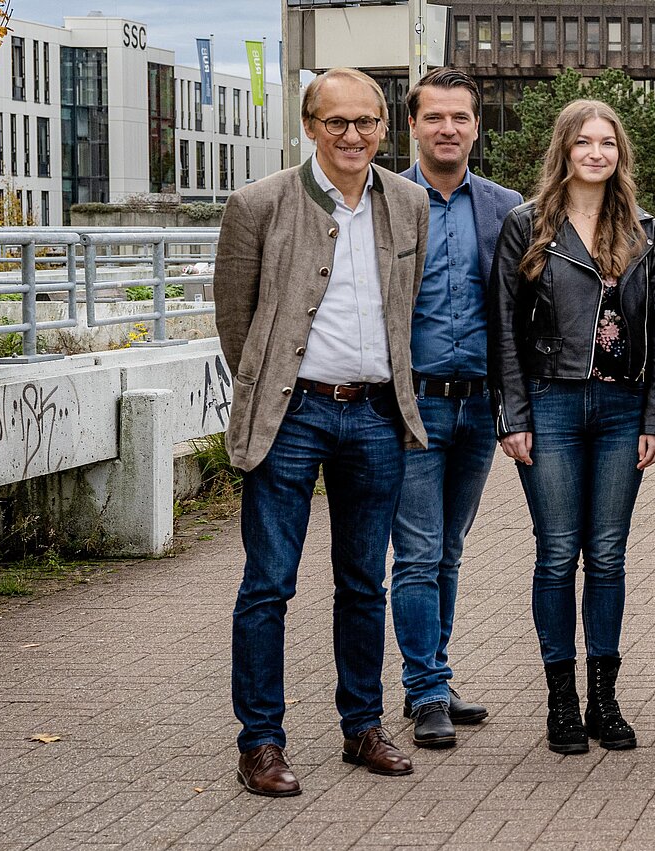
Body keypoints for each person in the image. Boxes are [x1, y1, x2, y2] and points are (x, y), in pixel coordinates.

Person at [217, 66, 428, 797]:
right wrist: (274, 390)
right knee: (268, 582)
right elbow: (236, 323)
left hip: (374, 414)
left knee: (364, 581)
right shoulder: (258, 204)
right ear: (309, 126)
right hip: (292, 413)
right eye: (335, 122)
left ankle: (361, 726)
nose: (352, 135)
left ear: (383, 127)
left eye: (366, 121)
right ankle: (261, 742)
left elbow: (406, 306)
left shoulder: (407, 202)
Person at [489, 99, 655, 756]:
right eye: (583, 143)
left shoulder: (644, 230)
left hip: (624, 410)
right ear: (564, 151)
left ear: (619, 154)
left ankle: (605, 696)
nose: (596, 153)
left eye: (607, 143)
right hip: (552, 405)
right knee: (555, 551)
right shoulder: (527, 227)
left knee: (607, 555)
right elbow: (504, 331)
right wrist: (511, 416)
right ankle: (561, 700)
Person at [392, 66, 521, 750]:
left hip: (477, 405)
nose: (447, 128)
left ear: (476, 126)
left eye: (460, 118)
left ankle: (433, 673)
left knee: (448, 549)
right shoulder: (382, 199)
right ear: (413, 124)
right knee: (415, 552)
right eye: (434, 117)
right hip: (408, 403)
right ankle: (425, 690)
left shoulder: (505, 207)